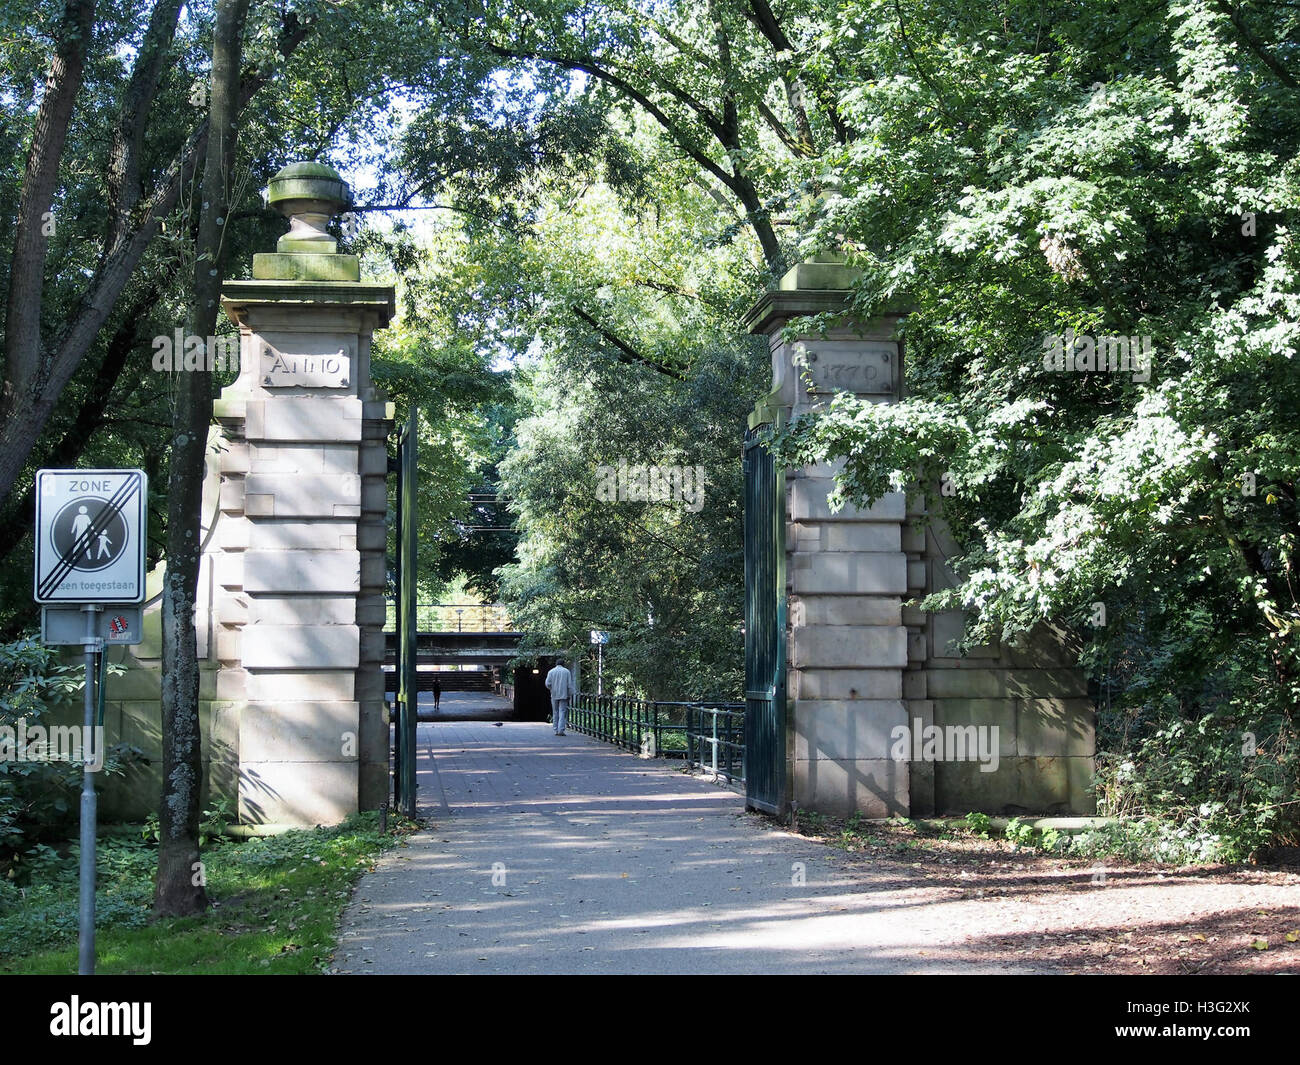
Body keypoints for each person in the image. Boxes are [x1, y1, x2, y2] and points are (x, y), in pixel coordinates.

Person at [545, 658, 574, 736]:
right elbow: (569, 685)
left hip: (554, 695)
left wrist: (551, 689)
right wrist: (570, 694)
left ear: (556, 664)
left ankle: (555, 729)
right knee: (562, 712)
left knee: (555, 712)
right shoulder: (567, 672)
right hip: (564, 695)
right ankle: (561, 730)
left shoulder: (551, 672)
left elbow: (547, 683)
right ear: (563, 664)